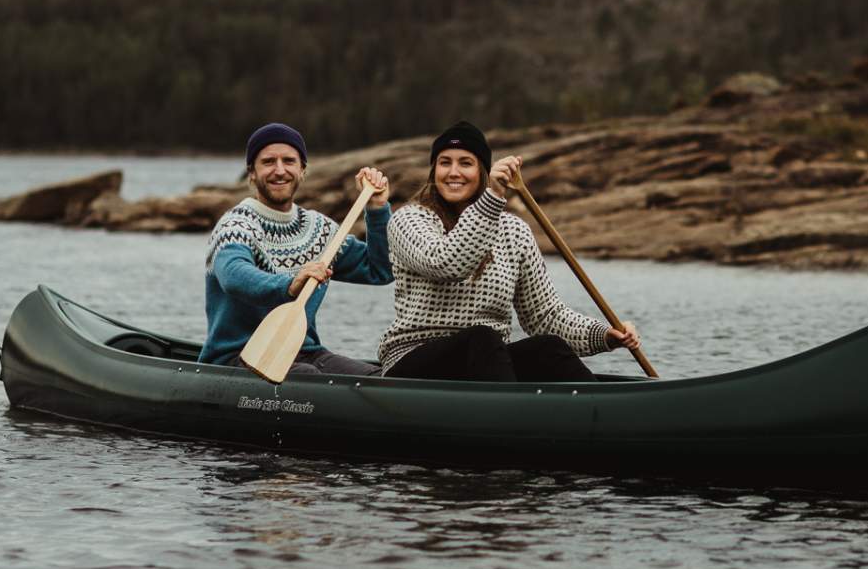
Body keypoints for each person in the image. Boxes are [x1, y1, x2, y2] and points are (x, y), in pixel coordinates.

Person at [378, 120, 640, 380]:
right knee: (482, 337)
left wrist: (604, 335)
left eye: (465, 163)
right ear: (433, 170)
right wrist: (492, 196)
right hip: (413, 359)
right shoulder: (409, 220)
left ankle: (596, 414)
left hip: (486, 361)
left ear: (482, 170)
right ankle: (512, 417)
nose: (453, 172)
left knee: (548, 347)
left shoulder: (515, 231)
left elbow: (545, 316)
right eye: (445, 162)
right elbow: (446, 263)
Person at [199, 121, 394, 375]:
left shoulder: (321, 230)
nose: (280, 170)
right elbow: (234, 276)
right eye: (268, 162)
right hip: (239, 356)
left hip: (305, 352)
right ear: (252, 173)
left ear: (302, 170)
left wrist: (377, 209)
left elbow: (379, 270)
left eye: (289, 161)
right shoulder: (236, 224)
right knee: (308, 378)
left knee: (377, 378)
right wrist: (289, 284)